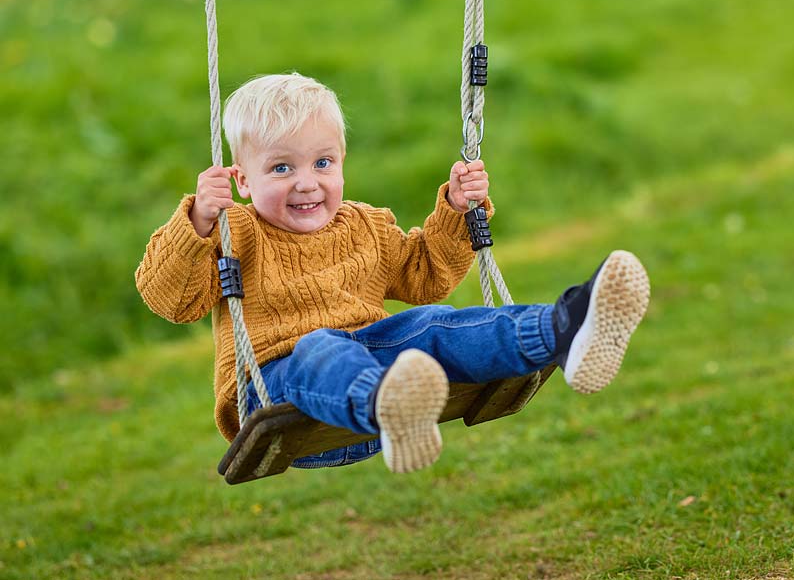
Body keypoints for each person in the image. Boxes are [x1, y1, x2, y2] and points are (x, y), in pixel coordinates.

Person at [136, 72, 650, 473]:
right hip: (279, 390)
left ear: (341, 161)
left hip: (370, 359)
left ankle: (566, 329)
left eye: (322, 162)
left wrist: (454, 207)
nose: (307, 183)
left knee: (431, 322)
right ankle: (392, 405)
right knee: (320, 346)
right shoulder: (232, 234)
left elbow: (426, 274)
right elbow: (169, 299)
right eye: (281, 168)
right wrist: (199, 222)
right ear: (241, 180)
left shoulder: (364, 225)